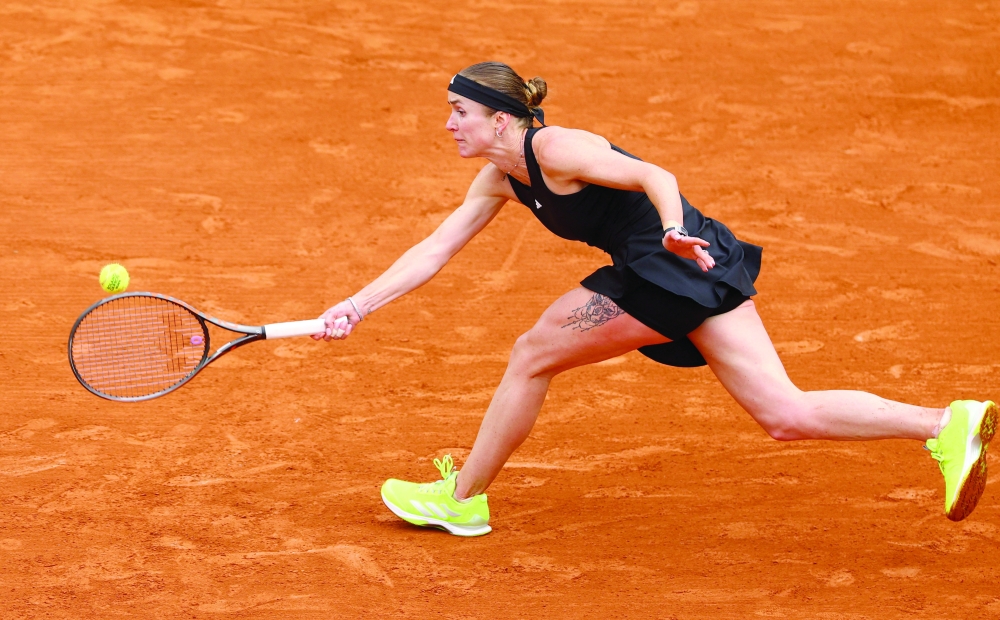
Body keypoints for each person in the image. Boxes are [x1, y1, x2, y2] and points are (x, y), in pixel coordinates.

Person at [314, 61, 996, 537]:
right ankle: (944, 424)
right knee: (785, 412)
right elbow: (434, 249)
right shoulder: (500, 177)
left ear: (500, 118)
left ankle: (462, 500)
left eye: (459, 111)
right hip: (695, 267)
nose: (448, 124)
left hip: (668, 266)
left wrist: (671, 228)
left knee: (530, 354)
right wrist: (357, 304)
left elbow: (653, 172)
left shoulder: (555, 146)